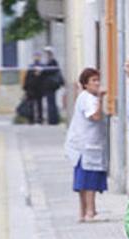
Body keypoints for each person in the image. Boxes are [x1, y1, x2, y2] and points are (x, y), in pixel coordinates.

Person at [65, 68, 108, 222]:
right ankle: (89, 212)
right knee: (88, 182)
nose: (97, 83)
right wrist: (101, 99)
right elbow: (95, 116)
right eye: (93, 81)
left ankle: (84, 212)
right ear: (85, 84)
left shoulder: (84, 97)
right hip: (86, 146)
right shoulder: (89, 98)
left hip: (84, 146)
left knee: (83, 182)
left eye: (98, 80)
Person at [42, 47, 64, 125]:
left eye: (48, 53)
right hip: (49, 86)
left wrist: (42, 71)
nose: (47, 55)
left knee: (52, 103)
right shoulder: (48, 62)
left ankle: (53, 120)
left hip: (51, 85)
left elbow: (48, 72)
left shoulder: (53, 62)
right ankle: (52, 119)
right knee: (50, 102)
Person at [23, 51, 44, 124]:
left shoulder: (42, 66)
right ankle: (31, 119)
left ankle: (40, 119)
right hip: (31, 88)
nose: (36, 57)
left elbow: (43, 77)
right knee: (31, 105)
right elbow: (27, 77)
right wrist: (25, 88)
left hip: (39, 88)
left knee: (39, 105)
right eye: (35, 56)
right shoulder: (31, 66)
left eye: (38, 56)